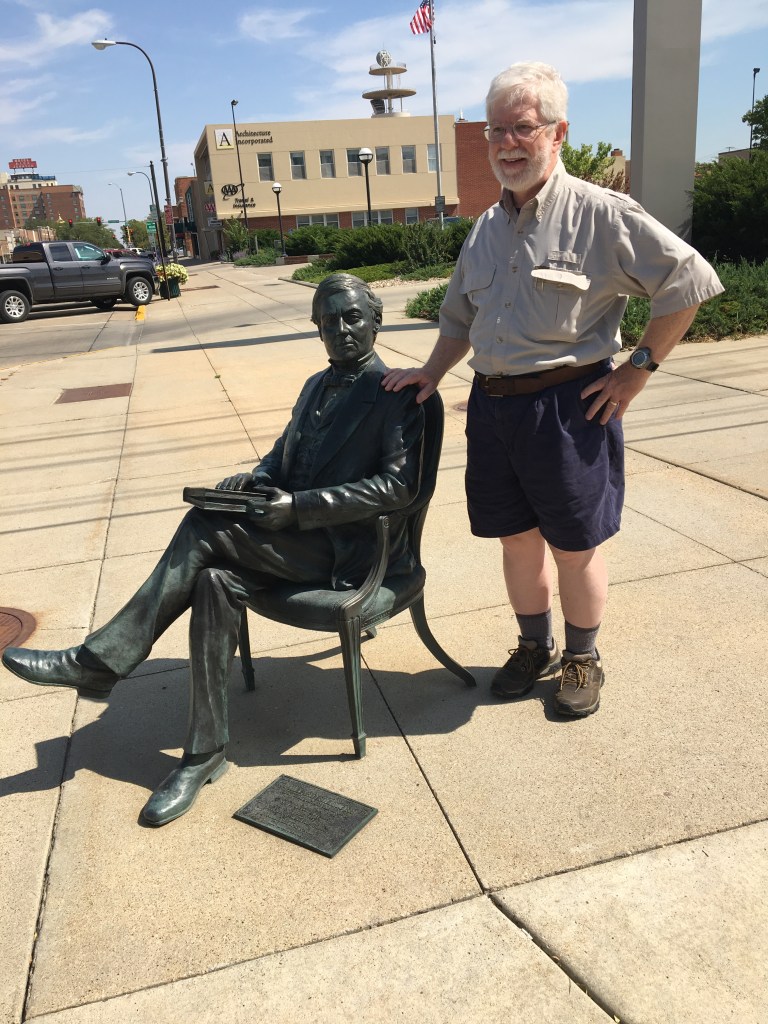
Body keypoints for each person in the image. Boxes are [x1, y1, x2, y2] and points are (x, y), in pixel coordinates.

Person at [3, 274, 424, 825]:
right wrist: (254, 479)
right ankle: (203, 755)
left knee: (205, 529)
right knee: (211, 580)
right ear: (317, 329)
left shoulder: (396, 393)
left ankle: (99, 662)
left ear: (376, 320)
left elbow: (398, 488)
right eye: (329, 321)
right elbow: (285, 453)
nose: (341, 330)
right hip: (292, 540)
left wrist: (296, 508)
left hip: (348, 553)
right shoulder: (315, 386)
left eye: (352, 318)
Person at [383, 61, 723, 718]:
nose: (507, 143)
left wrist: (638, 370)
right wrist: (432, 371)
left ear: (557, 132)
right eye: (496, 131)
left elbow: (690, 281)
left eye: (523, 128)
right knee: (515, 539)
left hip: (569, 410)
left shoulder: (600, 216)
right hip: (494, 408)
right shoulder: (485, 228)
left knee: (574, 545)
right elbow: (459, 318)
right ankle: (532, 646)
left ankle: (582, 658)